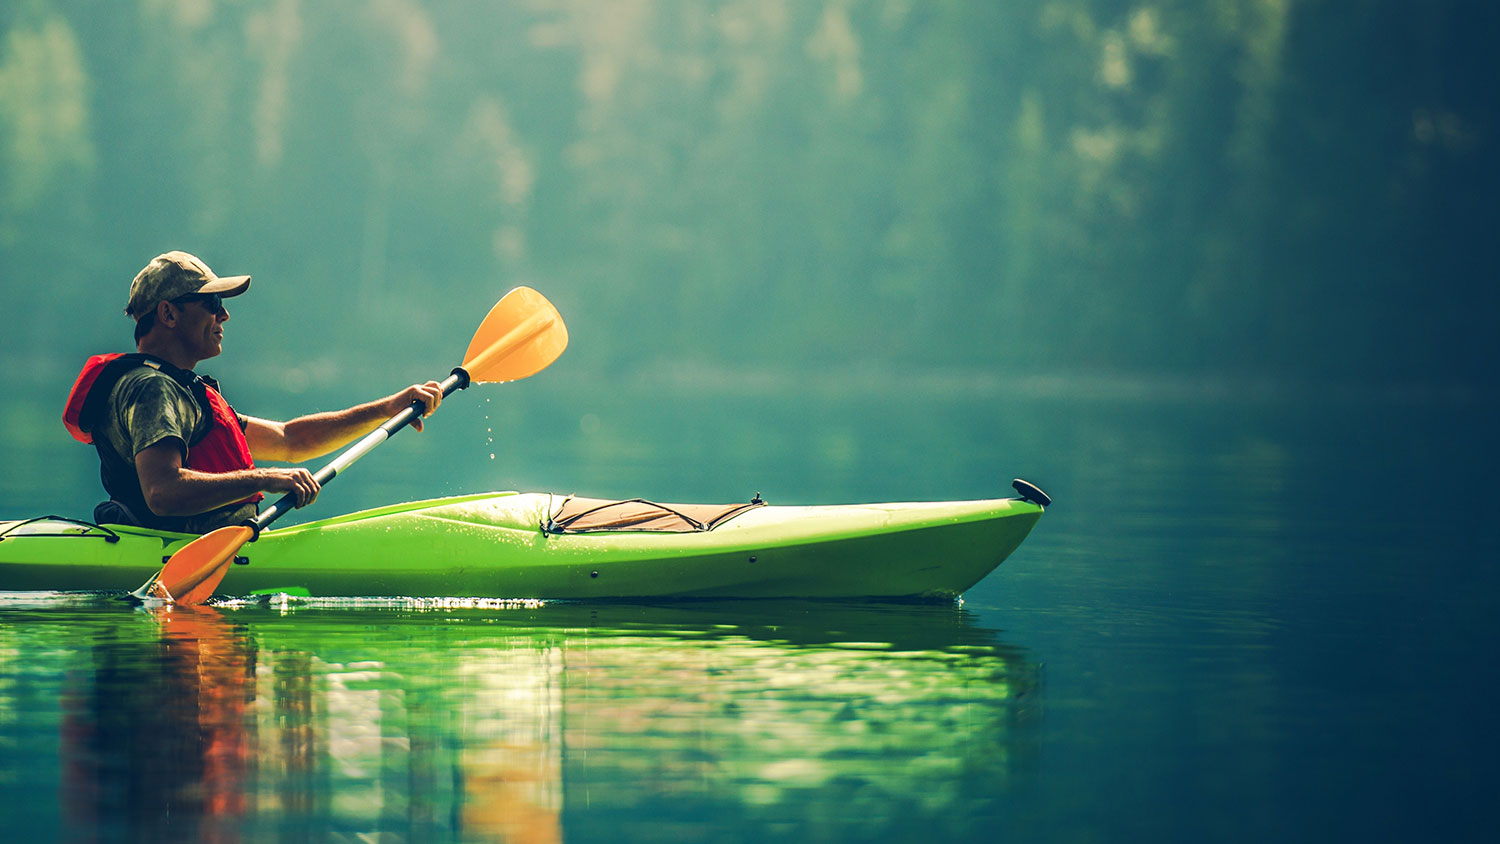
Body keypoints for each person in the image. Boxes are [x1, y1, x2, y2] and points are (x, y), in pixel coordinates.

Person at [64, 250, 443, 533]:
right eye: (212, 303)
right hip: (179, 551)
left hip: (211, 544)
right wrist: (263, 478)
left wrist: (387, 408)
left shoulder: (179, 388)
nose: (224, 316)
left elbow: (289, 439)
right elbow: (162, 492)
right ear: (168, 314)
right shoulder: (153, 389)